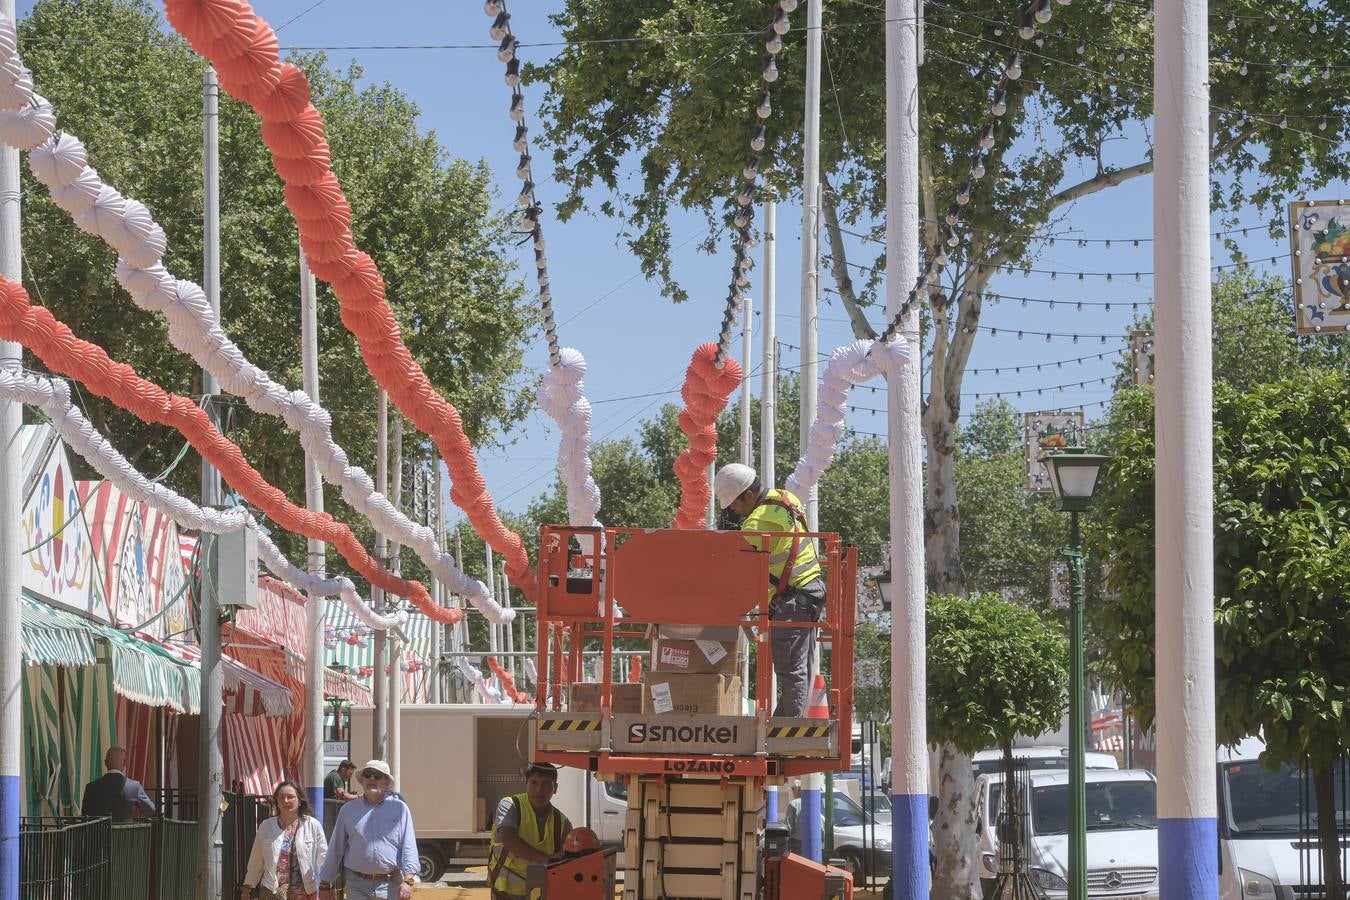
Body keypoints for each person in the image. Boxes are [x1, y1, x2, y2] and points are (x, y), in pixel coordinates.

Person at [714, 463, 826, 717]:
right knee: (799, 666)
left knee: (790, 668)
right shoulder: (785, 497)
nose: (733, 510)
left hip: (793, 598)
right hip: (810, 590)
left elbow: (735, 566)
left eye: (734, 504)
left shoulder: (756, 524)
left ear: (749, 495)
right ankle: (785, 721)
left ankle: (789, 730)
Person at [318, 760, 418, 900]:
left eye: (377, 775)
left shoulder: (400, 809)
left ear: (386, 781)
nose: (371, 778)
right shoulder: (348, 810)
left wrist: (408, 881)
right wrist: (324, 883)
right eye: (368, 774)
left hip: (391, 885)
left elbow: (409, 846)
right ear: (362, 780)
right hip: (357, 885)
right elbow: (336, 848)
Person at [487, 763, 573, 899]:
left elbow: (565, 860)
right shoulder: (510, 805)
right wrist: (545, 859)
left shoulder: (562, 823)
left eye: (545, 784)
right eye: (534, 783)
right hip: (505, 892)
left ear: (555, 788)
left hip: (539, 894)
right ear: (525, 785)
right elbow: (509, 840)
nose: (539, 790)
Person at [240, 780, 328, 900]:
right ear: (276, 801)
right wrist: (247, 888)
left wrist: (326, 886)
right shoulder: (266, 826)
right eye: (281, 797)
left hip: (305, 892)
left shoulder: (313, 825)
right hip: (271, 892)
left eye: (290, 797)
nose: (285, 801)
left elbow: (323, 859)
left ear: (300, 801)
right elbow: (256, 860)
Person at [81, 746, 155, 822]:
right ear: (125, 763)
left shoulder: (91, 787)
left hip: (98, 833)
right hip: (125, 833)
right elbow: (151, 810)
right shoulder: (134, 787)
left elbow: (85, 818)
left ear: (105, 763)